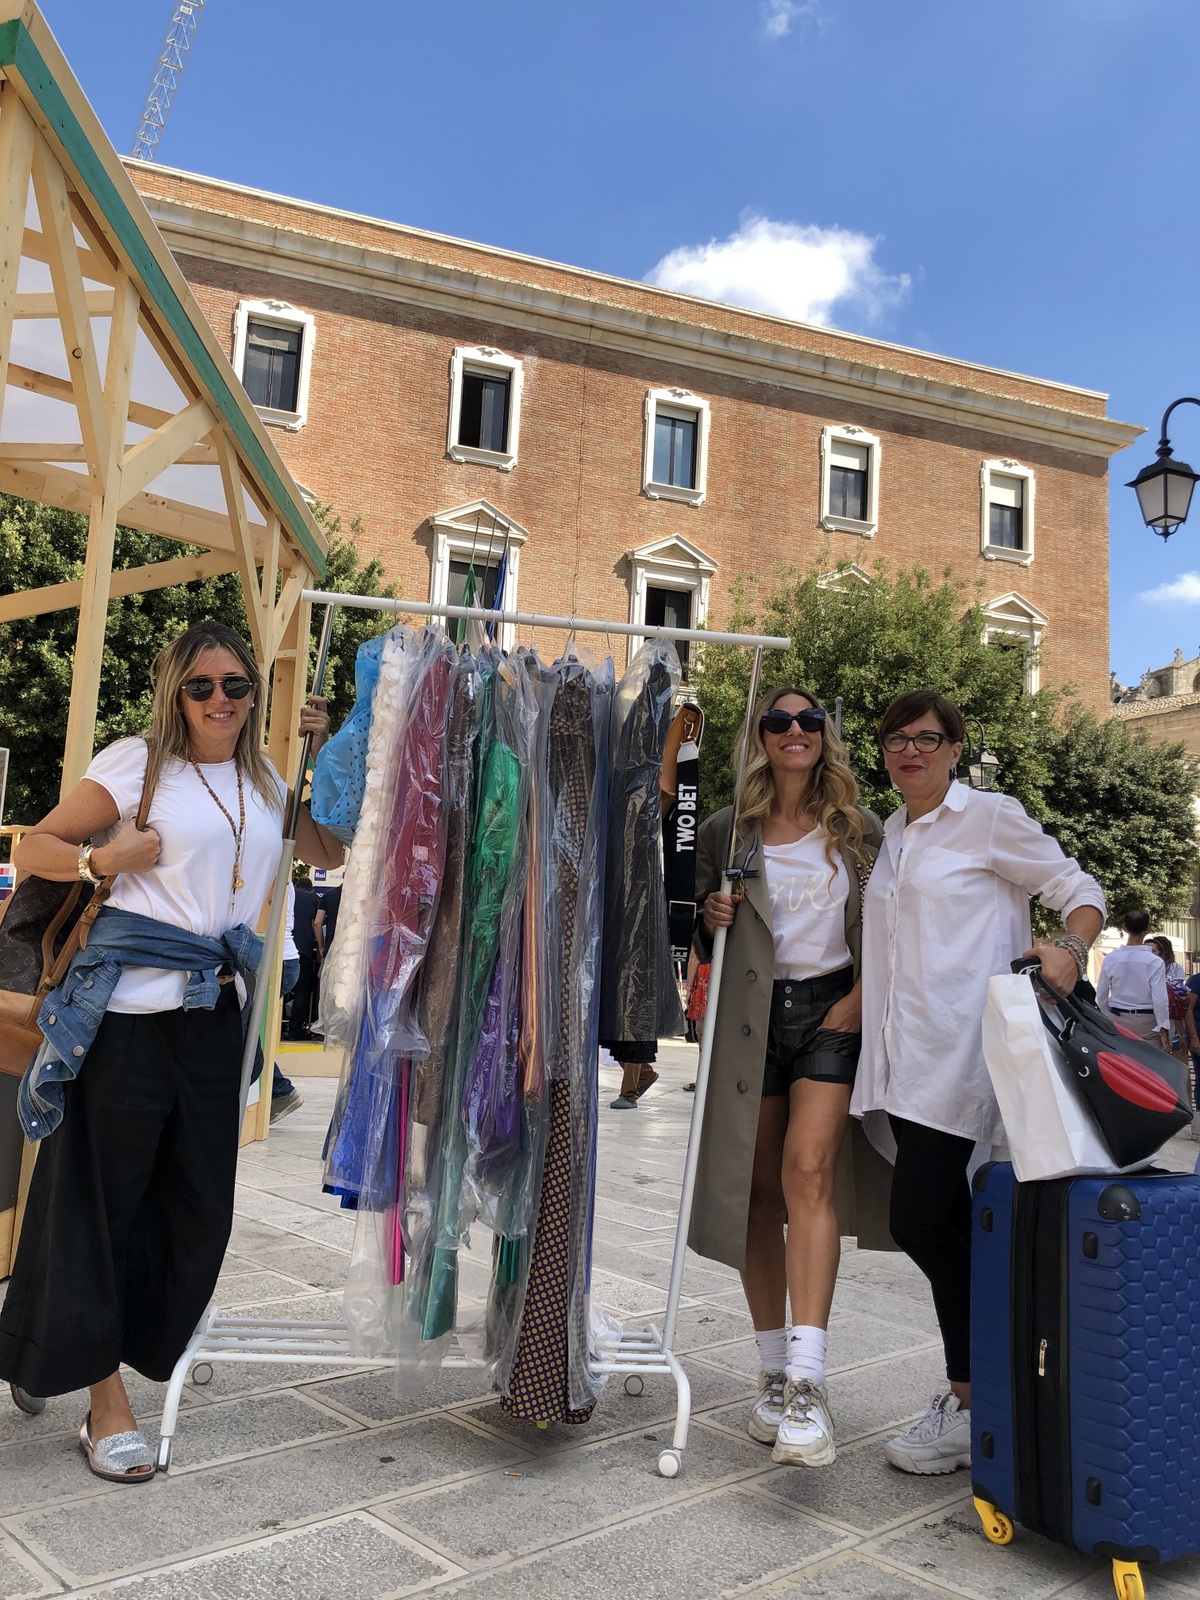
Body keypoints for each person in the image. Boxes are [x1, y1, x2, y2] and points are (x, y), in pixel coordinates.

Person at [0, 620, 343, 1483]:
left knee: (195, 1209)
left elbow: (327, 848)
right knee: (100, 1204)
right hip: (123, 1016)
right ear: (175, 692)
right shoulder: (139, 764)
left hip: (213, 1016)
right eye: (201, 685)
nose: (220, 699)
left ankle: (53, 1341)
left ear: (255, 692)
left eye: (236, 685)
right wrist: (101, 858)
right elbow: (34, 846)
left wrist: (324, 753)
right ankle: (102, 1399)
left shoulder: (266, 780)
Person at [854, 690, 1105, 1476]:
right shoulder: (893, 833)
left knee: (920, 1221)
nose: (910, 751)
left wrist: (1069, 949)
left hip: (965, 1053)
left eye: (928, 738)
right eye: (896, 738)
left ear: (956, 749)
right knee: (955, 1225)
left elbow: (1081, 890)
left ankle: (978, 1397)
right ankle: (989, 1393)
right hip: (903, 1058)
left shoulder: (990, 817)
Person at [691, 687, 885, 1469]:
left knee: (807, 1173)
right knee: (756, 1193)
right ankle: (771, 1370)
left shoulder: (860, 830)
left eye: (809, 721)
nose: (795, 731)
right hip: (750, 1016)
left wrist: (860, 1000)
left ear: (824, 737)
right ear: (762, 738)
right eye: (779, 721)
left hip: (831, 1010)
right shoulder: (726, 828)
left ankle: (808, 1380)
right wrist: (709, 916)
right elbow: (699, 933)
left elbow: (890, 924)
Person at [1095, 911, 1169, 1051]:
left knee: (1121, 1056)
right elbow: (1160, 999)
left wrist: (1106, 1014)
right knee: (1149, 1058)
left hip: (1117, 1015)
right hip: (1145, 1019)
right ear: (1147, 929)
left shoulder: (1111, 958)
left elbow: (1101, 991)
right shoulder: (1155, 961)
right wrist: (1163, 1029)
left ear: (1124, 927)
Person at [1148, 934, 1198, 1062]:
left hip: (1164, 1017)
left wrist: (1183, 1033)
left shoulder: (1173, 968)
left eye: (1154, 950)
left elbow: (1178, 999)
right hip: (1161, 1019)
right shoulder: (1174, 968)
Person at [286, 876, 320, 1041]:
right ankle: (295, 1031)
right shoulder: (314, 899)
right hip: (303, 951)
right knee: (302, 992)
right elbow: (318, 923)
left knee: (278, 990)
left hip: (283, 950)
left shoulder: (287, 894)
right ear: (311, 889)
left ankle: (275, 1027)